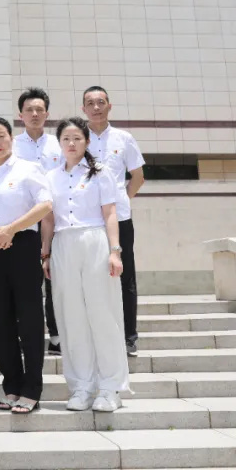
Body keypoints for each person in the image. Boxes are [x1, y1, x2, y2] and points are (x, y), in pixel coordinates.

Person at [41, 117, 128, 412]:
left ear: (87, 142)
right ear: (59, 143)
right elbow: (48, 220)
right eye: (66, 138)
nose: (71, 143)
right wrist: (45, 253)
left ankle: (110, 387)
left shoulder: (100, 172)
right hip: (63, 244)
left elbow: (110, 213)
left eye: (77, 138)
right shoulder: (50, 177)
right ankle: (81, 386)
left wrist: (115, 251)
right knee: (71, 316)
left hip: (94, 241)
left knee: (102, 312)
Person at [0, 116, 53, 415]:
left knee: (29, 320)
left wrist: (11, 229)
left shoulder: (28, 169)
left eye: (1, 136)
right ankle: (12, 386)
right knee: (0, 321)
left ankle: (32, 389)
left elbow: (45, 205)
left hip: (22, 246)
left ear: (11, 138)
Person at [82, 86, 145, 356]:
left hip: (119, 218)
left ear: (110, 106)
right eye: (90, 103)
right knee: (91, 277)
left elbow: (138, 177)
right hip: (87, 219)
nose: (96, 107)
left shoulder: (124, 138)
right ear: (83, 109)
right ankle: (93, 335)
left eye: (101, 102)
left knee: (125, 276)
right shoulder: (78, 138)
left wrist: (121, 199)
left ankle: (129, 336)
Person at [13, 87, 64, 355]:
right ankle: (26, 335)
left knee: (55, 279)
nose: (34, 114)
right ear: (20, 114)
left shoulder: (59, 144)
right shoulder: (12, 145)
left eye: (39, 110)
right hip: (23, 224)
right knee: (25, 283)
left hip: (57, 222)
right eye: (29, 110)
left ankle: (56, 336)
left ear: (47, 114)